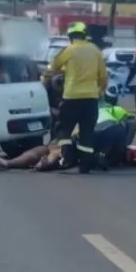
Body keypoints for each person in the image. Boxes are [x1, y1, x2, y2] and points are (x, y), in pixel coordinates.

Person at [42, 21, 107, 174]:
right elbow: (103, 77)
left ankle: (68, 158)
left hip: (71, 97)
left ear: (71, 36)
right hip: (90, 98)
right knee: (87, 133)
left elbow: (53, 66)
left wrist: (45, 77)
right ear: (84, 35)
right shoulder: (95, 50)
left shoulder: (69, 50)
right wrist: (99, 91)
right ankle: (85, 166)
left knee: (64, 130)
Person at [0, 137, 77, 172]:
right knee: (37, 151)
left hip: (70, 146)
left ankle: (44, 164)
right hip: (57, 142)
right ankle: (7, 163)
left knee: (54, 154)